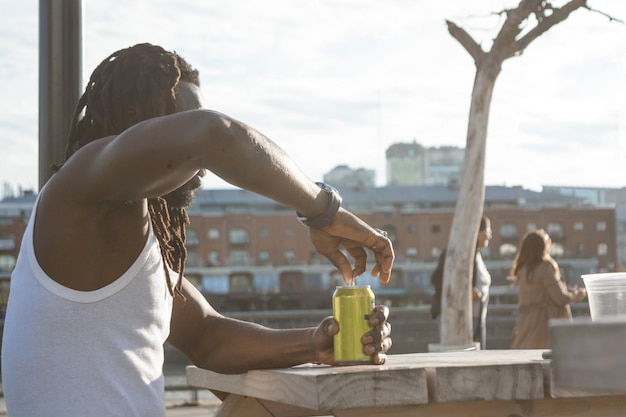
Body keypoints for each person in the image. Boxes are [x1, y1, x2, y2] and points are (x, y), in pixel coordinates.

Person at [1, 43, 394, 417]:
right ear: (140, 115)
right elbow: (212, 135)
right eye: (180, 121)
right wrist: (323, 211)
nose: (200, 168)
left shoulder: (135, 237)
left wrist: (317, 342)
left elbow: (208, 336)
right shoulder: (81, 188)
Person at [510, 229, 586, 349]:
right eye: (547, 242)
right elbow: (560, 298)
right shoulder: (545, 268)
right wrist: (577, 294)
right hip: (544, 327)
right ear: (541, 247)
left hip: (526, 327)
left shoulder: (524, 270)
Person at [430, 215, 492, 349]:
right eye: (488, 231)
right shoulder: (458, 253)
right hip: (460, 318)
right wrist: (466, 291)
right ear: (478, 231)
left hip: (477, 316)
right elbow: (437, 279)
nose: (489, 236)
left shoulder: (477, 254)